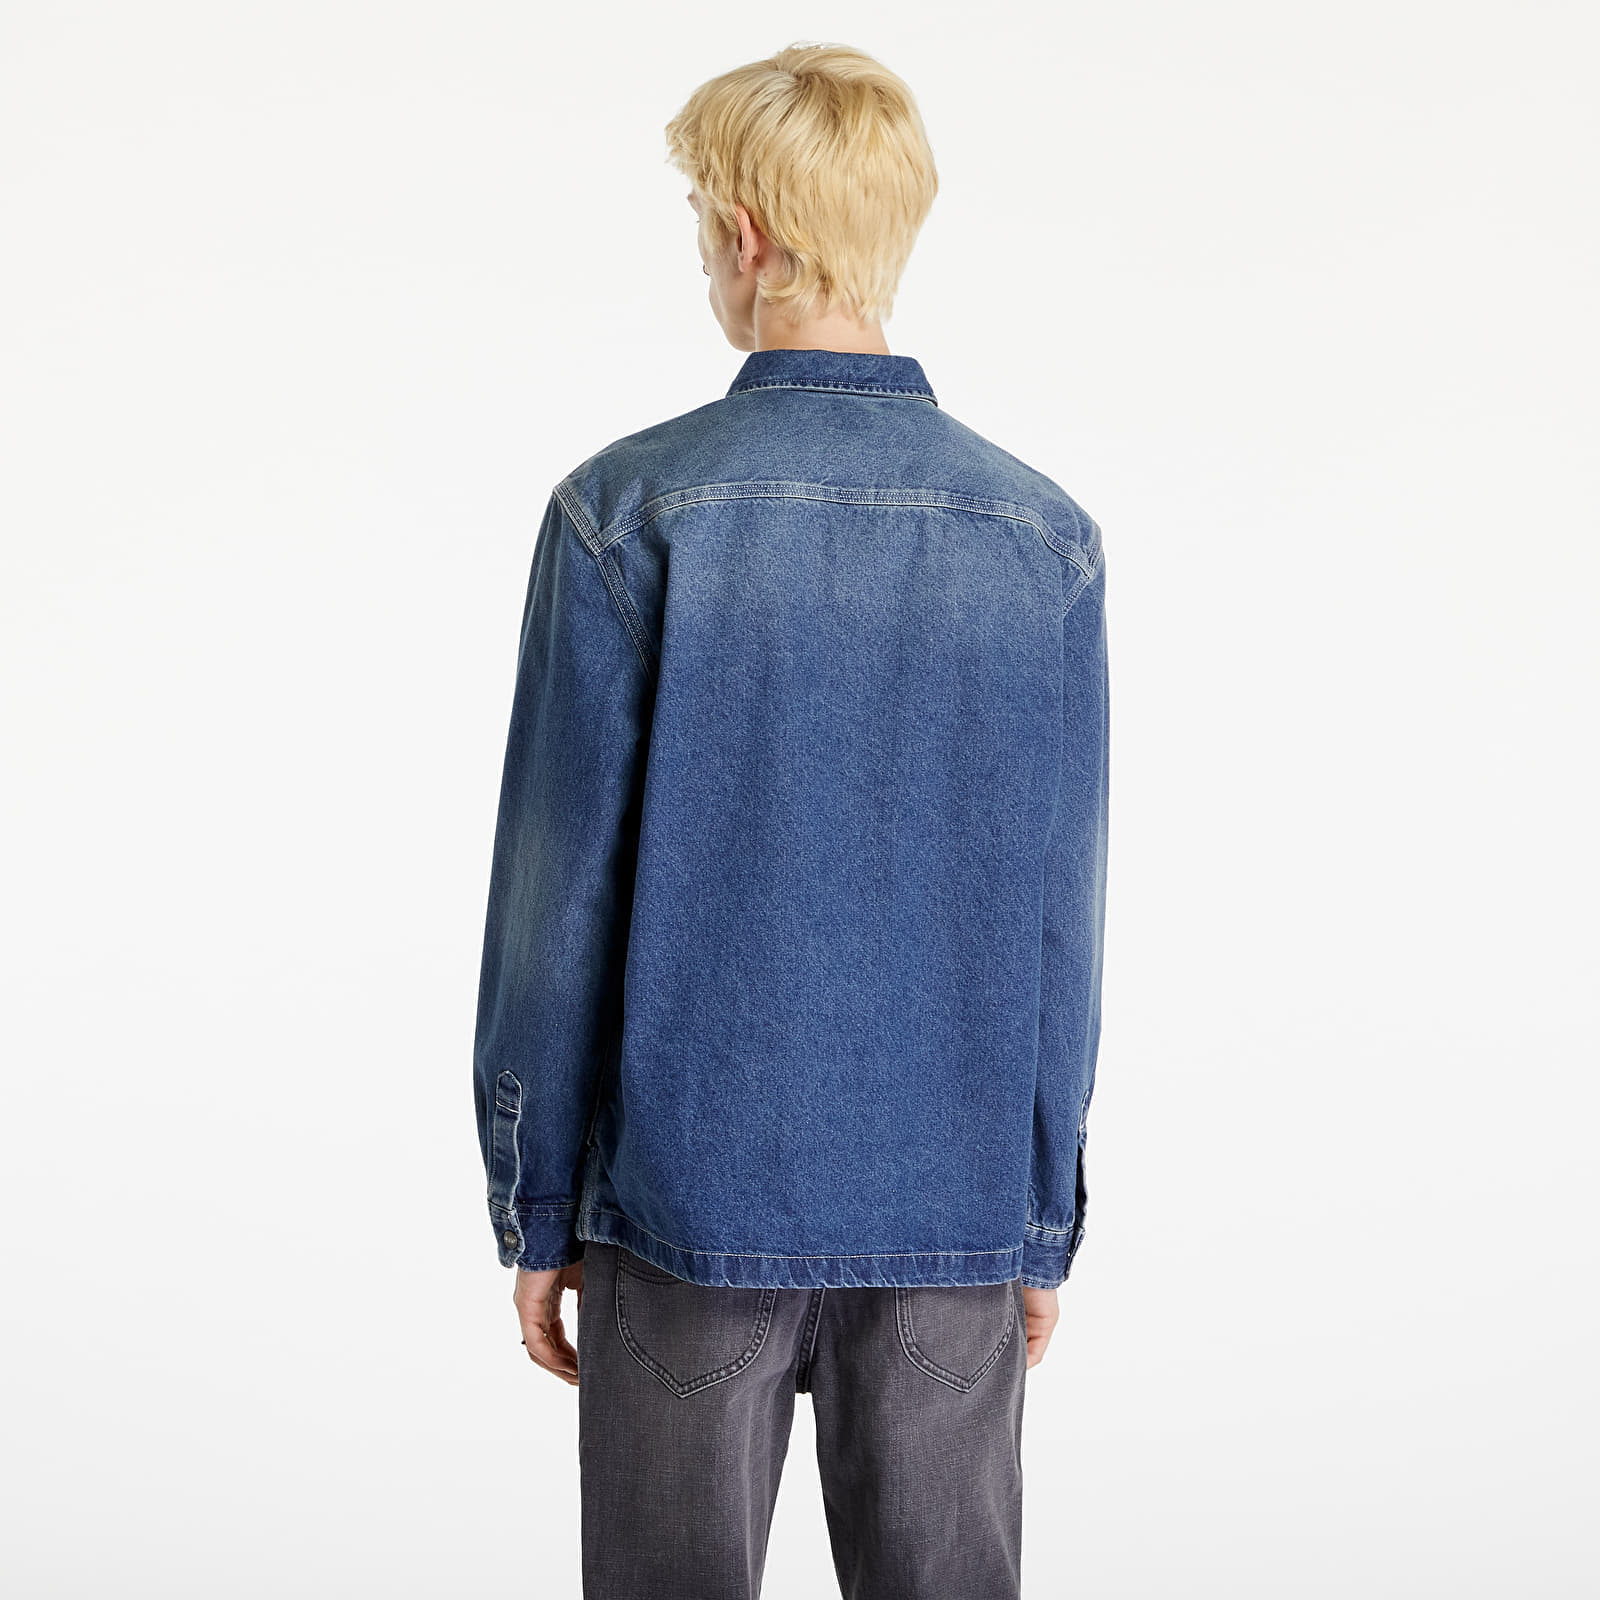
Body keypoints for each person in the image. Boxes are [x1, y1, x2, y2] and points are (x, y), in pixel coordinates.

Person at [472, 41, 1110, 1600]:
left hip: (685, 1209)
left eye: (701, 222)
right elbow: (1059, 926)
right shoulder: (1043, 539)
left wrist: (535, 1205)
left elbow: (559, 905)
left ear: (746, 235)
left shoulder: (625, 515)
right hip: (951, 1212)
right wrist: (1036, 1221)